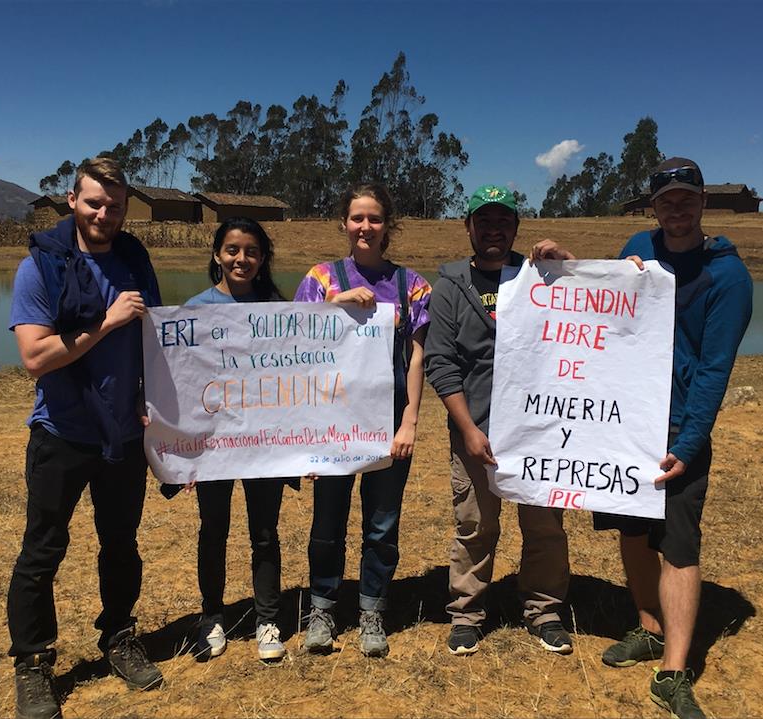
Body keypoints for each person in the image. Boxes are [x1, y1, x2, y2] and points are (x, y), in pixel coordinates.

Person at [593, 158, 752, 719]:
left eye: (686, 200)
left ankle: (674, 671)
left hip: (678, 428)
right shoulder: (639, 242)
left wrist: (687, 446)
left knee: (679, 546)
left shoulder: (728, 278)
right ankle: (648, 626)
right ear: (653, 207)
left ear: (703, 202)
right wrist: (606, 272)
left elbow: (714, 370)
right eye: (666, 202)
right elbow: (605, 313)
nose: (676, 211)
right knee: (634, 532)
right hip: (628, 420)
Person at [7, 157, 163, 719]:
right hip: (64, 435)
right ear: (72, 200)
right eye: (94, 202)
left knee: (120, 544)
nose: (104, 213)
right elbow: (34, 358)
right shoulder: (40, 268)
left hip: (122, 437)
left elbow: (158, 339)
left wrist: (161, 408)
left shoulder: (134, 261)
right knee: (43, 550)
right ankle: (32, 662)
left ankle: (119, 635)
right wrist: (107, 321)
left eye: (115, 206)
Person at [424, 184, 576, 657]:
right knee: (475, 526)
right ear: (468, 226)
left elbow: (589, 311)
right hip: (477, 431)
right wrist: (468, 429)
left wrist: (566, 263)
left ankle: (544, 610)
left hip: (539, 430)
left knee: (545, 526)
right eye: (484, 222)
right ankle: (467, 614)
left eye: (503, 222)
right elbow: (440, 361)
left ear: (515, 228)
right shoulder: (450, 285)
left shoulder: (541, 277)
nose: (493, 230)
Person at [293, 182, 431, 658]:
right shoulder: (319, 278)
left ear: (387, 225)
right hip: (333, 420)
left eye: (374, 218)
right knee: (327, 520)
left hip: (388, 419)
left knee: (382, 522)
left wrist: (409, 422)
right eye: (357, 218)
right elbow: (295, 348)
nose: (365, 227)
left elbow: (417, 359)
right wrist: (335, 305)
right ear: (344, 223)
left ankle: (372, 608)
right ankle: (323, 608)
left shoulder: (412, 285)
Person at [182, 217, 292, 663]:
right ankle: (212, 614)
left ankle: (268, 617)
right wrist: (182, 454)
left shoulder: (279, 311)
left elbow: (296, 380)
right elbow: (184, 384)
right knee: (213, 530)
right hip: (213, 447)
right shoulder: (194, 310)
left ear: (262, 258)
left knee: (265, 533)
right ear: (216, 255)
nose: (240, 258)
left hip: (264, 445)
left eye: (250, 251)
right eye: (231, 249)